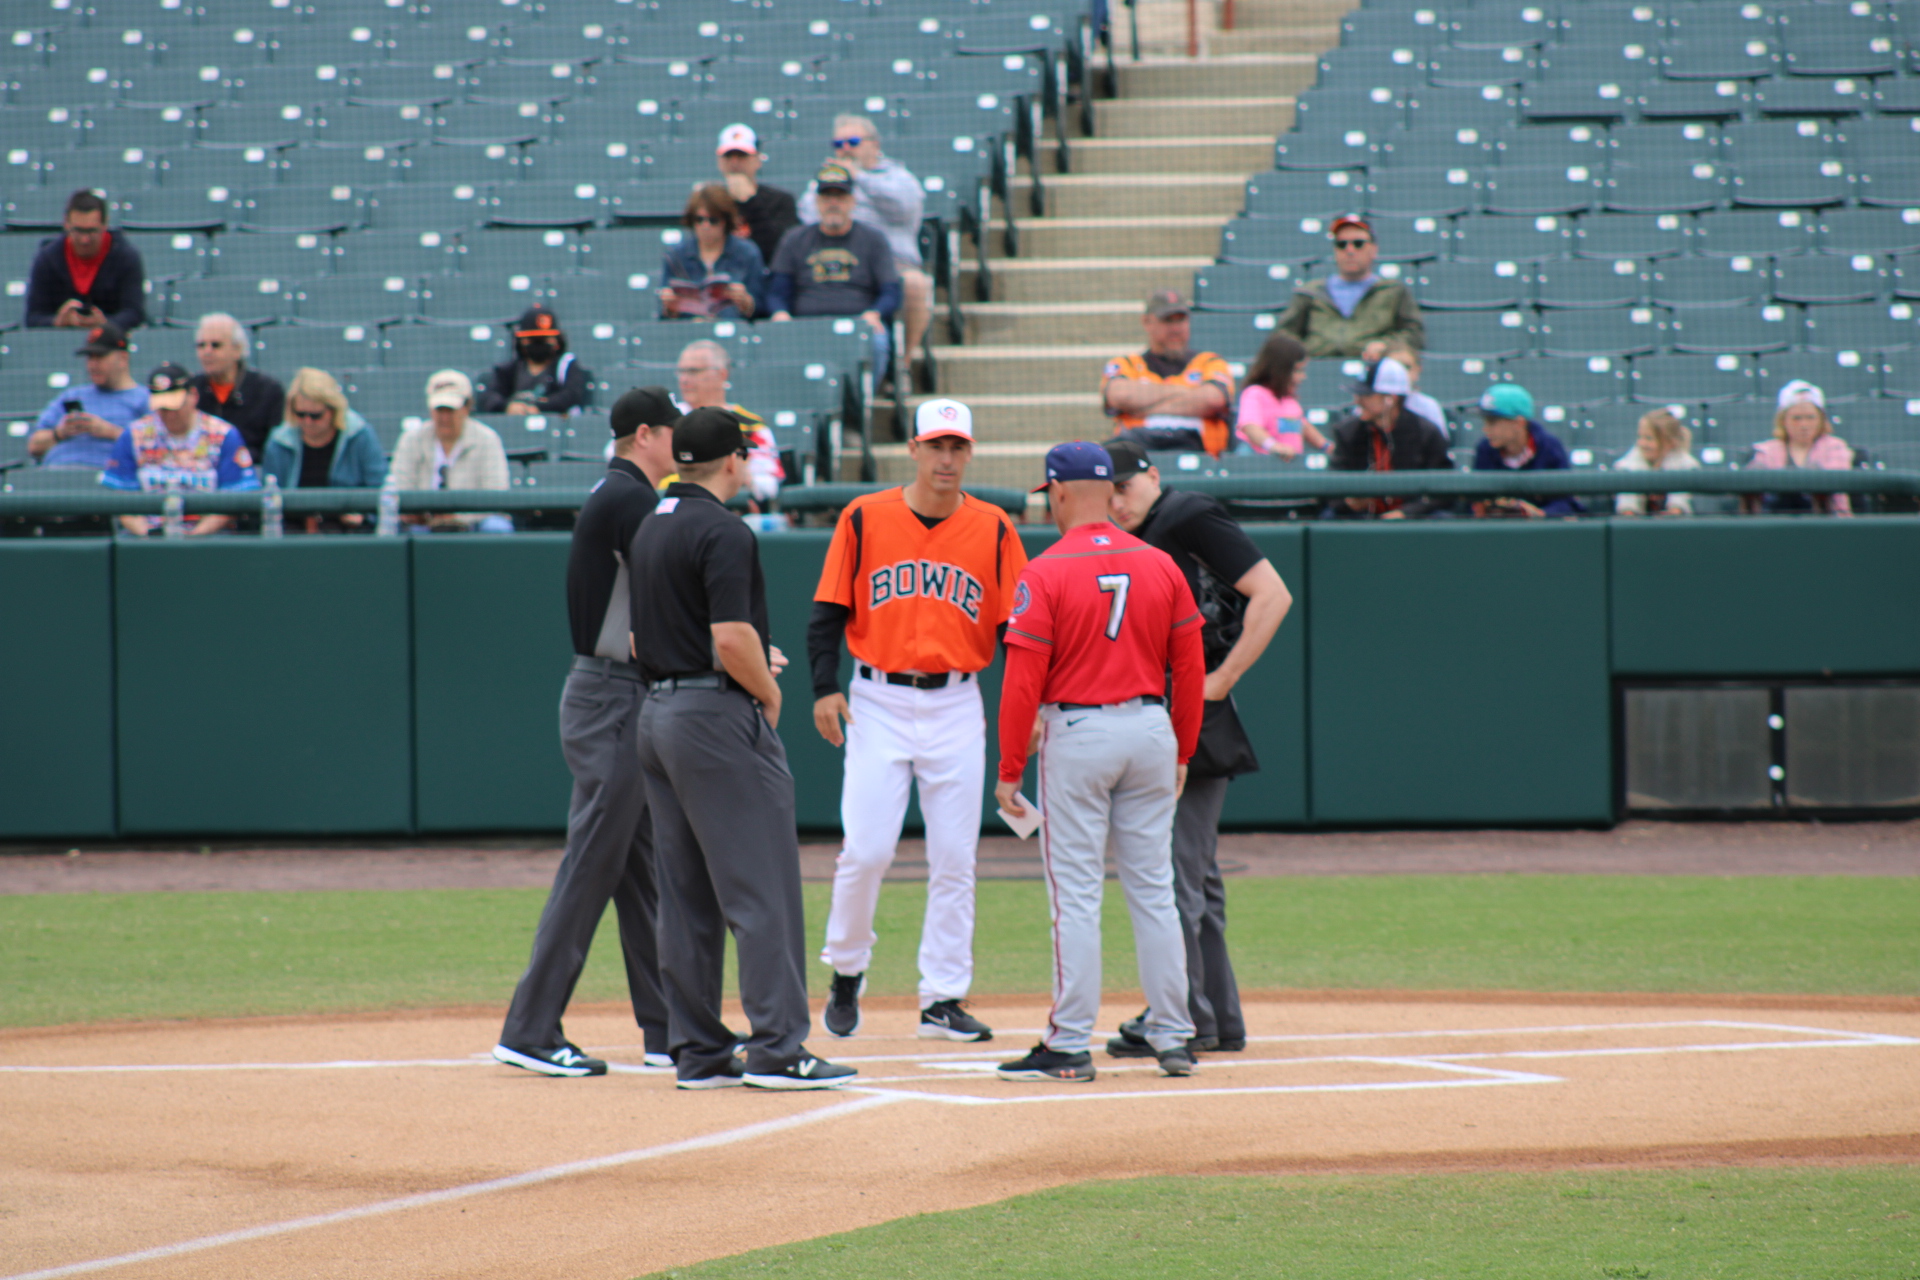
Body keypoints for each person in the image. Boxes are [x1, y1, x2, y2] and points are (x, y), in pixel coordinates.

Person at [629, 406, 856, 1092]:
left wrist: (741, 663)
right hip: (712, 718)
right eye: (746, 452)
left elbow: (642, 641)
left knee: (687, 894)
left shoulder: (651, 522)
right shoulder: (722, 529)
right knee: (761, 891)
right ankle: (780, 1048)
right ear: (731, 460)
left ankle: (696, 1050)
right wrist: (769, 694)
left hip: (658, 713)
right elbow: (731, 639)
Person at [808, 398, 1028, 1045]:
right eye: (936, 445)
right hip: (876, 698)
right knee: (866, 851)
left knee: (955, 858)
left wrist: (1028, 706)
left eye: (958, 447)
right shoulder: (864, 516)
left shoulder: (993, 527)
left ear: (970, 452)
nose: (947, 458)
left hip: (958, 700)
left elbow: (1016, 631)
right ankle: (847, 970)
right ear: (913, 448)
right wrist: (824, 686)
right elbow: (826, 611)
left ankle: (943, 997)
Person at [993, 441, 1205, 1084]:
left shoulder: (1045, 570)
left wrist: (1007, 769)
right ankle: (1172, 1035)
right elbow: (1189, 668)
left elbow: (1021, 683)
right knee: (1154, 892)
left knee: (1077, 898)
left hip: (1079, 731)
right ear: (1111, 493)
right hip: (1149, 727)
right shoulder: (1160, 562)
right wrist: (1185, 747)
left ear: (1058, 492)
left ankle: (1067, 1043)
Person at [493, 388, 683, 1079]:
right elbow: (664, 601)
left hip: (613, 693)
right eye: (672, 433)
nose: (679, 447)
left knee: (641, 869)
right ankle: (530, 1027)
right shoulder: (630, 496)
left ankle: (670, 1030)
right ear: (644, 435)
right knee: (591, 867)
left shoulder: (622, 491)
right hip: (610, 696)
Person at [1101, 438, 1293, 1058]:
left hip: (1192, 712)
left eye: (1126, 487)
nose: (1117, 501)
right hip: (1176, 707)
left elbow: (1273, 594)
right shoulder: (1149, 527)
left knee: (1173, 871)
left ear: (1153, 477)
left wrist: (1224, 679)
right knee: (1196, 875)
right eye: (1107, 492)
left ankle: (1178, 1016)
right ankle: (1215, 1017)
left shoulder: (1186, 514)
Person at [798, 114, 931, 379]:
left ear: (875, 144)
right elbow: (807, 215)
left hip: (892, 266)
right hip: (837, 262)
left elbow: (905, 207)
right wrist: (839, 188)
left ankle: (901, 365)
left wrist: (859, 178)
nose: (845, 149)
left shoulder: (895, 175)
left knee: (917, 284)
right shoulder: (827, 180)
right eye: (839, 143)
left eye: (853, 141)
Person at [769, 163, 901, 382]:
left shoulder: (873, 239)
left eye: (840, 196)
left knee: (877, 342)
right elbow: (777, 290)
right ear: (816, 202)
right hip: (805, 327)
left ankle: (862, 402)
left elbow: (891, 291)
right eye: (826, 197)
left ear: (852, 201)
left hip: (858, 323)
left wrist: (875, 313)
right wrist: (780, 313)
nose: (833, 203)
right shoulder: (794, 239)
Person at [103, 360, 259, 536]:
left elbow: (232, 503)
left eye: (174, 405)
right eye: (162, 407)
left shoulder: (223, 434)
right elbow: (124, 503)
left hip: (208, 536)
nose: (169, 414)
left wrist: (195, 535)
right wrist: (147, 534)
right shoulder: (134, 435)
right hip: (148, 535)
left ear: (193, 396)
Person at [1103, 290, 1235, 456]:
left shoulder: (1210, 361)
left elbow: (1213, 399)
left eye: (1181, 320)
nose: (1176, 329)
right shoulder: (1126, 364)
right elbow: (1119, 395)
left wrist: (1141, 407)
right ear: (1147, 322)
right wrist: (1188, 392)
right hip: (1138, 457)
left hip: (1201, 456)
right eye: (1167, 320)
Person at [1275, 215, 1424, 360]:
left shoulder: (1393, 291)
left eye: (1358, 243)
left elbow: (1414, 334)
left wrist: (1386, 346)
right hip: (1317, 370)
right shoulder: (1309, 292)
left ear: (1373, 249)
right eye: (1342, 244)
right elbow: (1283, 334)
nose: (1350, 250)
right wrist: (1303, 351)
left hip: (1373, 369)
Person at [260, 368, 389, 531]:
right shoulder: (279, 442)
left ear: (333, 410)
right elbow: (269, 499)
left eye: (315, 415)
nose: (307, 421)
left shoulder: (359, 434)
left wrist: (362, 515)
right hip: (293, 531)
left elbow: (379, 489)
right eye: (300, 414)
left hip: (348, 531)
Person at [1325, 356, 1454, 519]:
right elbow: (1333, 485)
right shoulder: (1347, 432)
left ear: (1391, 399)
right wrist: (1349, 502)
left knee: (1440, 518)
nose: (1357, 400)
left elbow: (1443, 491)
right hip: (1361, 521)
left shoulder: (1426, 432)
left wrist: (1405, 513)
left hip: (1414, 522)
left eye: (1367, 395)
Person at [388, 369, 513, 532]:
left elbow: (496, 496)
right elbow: (400, 490)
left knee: (497, 527)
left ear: (467, 407)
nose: (444, 417)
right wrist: (422, 515)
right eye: (440, 410)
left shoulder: (487, 439)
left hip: (473, 524)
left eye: (451, 410)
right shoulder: (411, 440)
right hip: (424, 525)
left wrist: (458, 517)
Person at [675, 339, 782, 511]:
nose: (684, 380)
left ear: (722, 375)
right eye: (681, 372)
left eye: (693, 371)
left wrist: (742, 477)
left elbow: (769, 484)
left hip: (727, 511)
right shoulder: (666, 422)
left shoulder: (750, 426)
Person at [26, 322, 146, 469]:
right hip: (58, 477)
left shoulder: (144, 399)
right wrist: (60, 432)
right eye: (90, 357)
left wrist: (110, 432)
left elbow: (159, 450)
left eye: (100, 357)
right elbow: (34, 446)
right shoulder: (71, 395)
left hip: (107, 479)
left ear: (122, 358)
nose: (92, 365)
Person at [23, 189, 146, 331]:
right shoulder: (47, 259)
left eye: (91, 231)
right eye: (78, 230)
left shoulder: (126, 257)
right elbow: (32, 317)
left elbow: (135, 313)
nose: (84, 239)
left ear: (105, 224)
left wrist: (106, 323)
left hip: (110, 343)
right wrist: (57, 321)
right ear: (66, 224)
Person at [185, 313, 285, 468]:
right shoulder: (190, 390)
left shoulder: (268, 391)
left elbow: (273, 451)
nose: (207, 351)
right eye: (201, 345)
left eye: (216, 345)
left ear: (238, 350)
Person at [1470, 383, 1584, 518]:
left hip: (1542, 534)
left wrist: (1539, 514)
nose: (1486, 428)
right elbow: (1476, 501)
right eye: (1485, 421)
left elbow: (1565, 502)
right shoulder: (1485, 449)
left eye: (1493, 422)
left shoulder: (1549, 447)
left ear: (1519, 422)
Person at [1742, 380, 1854, 517]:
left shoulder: (1835, 448)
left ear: (1821, 419)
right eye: (1796, 418)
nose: (1804, 425)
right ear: (1783, 420)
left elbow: (1838, 497)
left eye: (1810, 418)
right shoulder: (1766, 450)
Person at [658, 186, 766, 321]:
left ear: (725, 222)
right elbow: (664, 314)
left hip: (733, 330)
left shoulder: (747, 253)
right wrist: (669, 305)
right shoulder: (676, 256)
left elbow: (761, 309)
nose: (705, 226)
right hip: (689, 331)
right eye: (699, 220)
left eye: (713, 220)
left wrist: (745, 301)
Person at [475, 308, 593, 417]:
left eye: (545, 339)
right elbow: (488, 397)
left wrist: (540, 407)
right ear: (521, 341)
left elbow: (572, 395)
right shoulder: (509, 370)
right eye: (532, 339)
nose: (539, 344)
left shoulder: (566, 365)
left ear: (557, 340)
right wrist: (508, 407)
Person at [716, 124, 799, 269]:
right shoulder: (712, 201)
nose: (734, 163)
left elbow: (779, 252)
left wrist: (750, 202)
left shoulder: (780, 200)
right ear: (720, 162)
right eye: (729, 156)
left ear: (757, 160)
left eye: (742, 156)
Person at [1234, 331, 1325, 458]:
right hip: (1262, 466)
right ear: (1279, 369)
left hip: (1290, 469)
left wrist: (1325, 446)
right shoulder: (1255, 394)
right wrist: (1274, 447)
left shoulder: (1289, 401)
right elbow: (1250, 427)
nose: (1303, 377)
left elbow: (1302, 425)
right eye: (1297, 371)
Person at [1614, 408, 1701, 517]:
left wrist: (1673, 513)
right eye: (1639, 437)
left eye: (1649, 438)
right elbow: (1627, 509)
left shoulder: (1686, 466)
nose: (1642, 443)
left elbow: (1678, 508)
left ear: (1669, 443)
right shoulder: (1627, 466)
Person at [1380, 342, 1450, 439]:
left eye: (1407, 367)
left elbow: (1439, 447)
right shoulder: (1368, 405)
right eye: (1394, 367)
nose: (1401, 372)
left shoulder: (1429, 406)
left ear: (1418, 370)